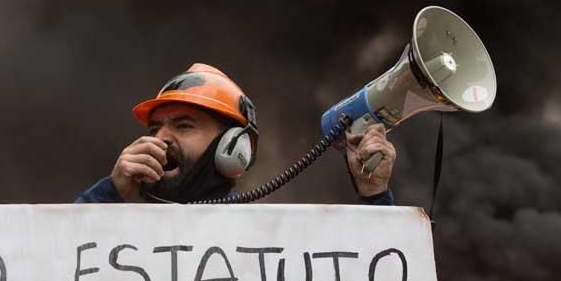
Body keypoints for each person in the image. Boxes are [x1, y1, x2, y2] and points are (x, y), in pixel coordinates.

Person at [75, 63, 395, 205]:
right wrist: (110, 191)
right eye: (155, 128)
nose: (161, 138)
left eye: (184, 125)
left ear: (233, 148)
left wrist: (374, 193)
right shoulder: (121, 239)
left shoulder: (269, 241)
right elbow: (55, 267)